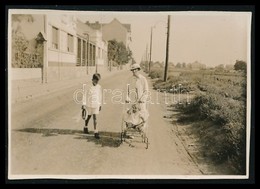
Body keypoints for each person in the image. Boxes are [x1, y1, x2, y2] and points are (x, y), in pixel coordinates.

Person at [125, 63, 149, 132]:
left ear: (138, 70)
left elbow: (146, 91)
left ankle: (141, 128)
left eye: (134, 70)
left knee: (141, 116)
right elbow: (127, 90)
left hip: (140, 101)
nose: (133, 71)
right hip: (132, 101)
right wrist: (127, 97)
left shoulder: (143, 79)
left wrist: (142, 99)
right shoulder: (130, 79)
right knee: (131, 115)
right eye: (132, 70)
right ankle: (131, 130)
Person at [82, 73, 102, 139]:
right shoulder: (87, 86)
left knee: (95, 117)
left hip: (96, 104)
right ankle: (85, 127)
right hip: (89, 104)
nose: (96, 82)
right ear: (92, 79)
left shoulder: (99, 87)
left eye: (97, 81)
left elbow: (100, 96)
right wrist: (83, 104)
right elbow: (84, 95)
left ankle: (96, 132)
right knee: (88, 117)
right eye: (95, 80)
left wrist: (100, 104)